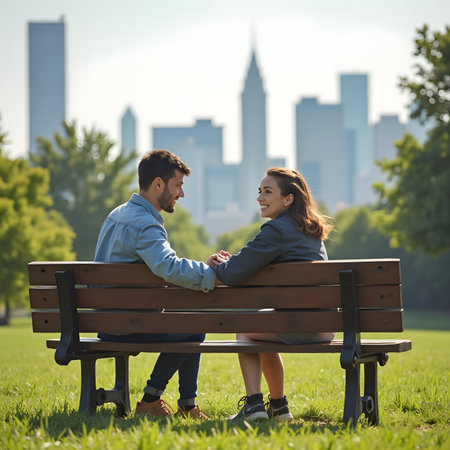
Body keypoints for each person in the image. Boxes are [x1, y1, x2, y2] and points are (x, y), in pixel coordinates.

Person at [94, 149, 216, 420]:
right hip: (129, 325)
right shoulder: (145, 225)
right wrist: (211, 274)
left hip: (105, 323)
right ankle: (153, 400)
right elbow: (168, 266)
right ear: (158, 183)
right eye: (178, 186)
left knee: (191, 324)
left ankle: (185, 404)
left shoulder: (117, 215)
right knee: (195, 327)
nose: (181, 194)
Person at [208, 167, 334, 421]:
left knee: (245, 330)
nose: (260, 197)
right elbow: (250, 264)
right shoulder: (310, 232)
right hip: (325, 326)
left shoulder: (277, 230)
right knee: (263, 323)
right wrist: (236, 263)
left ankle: (254, 406)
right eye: (259, 191)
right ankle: (278, 407)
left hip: (300, 325)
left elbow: (233, 274)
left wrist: (217, 264)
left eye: (268, 192)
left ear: (288, 199)